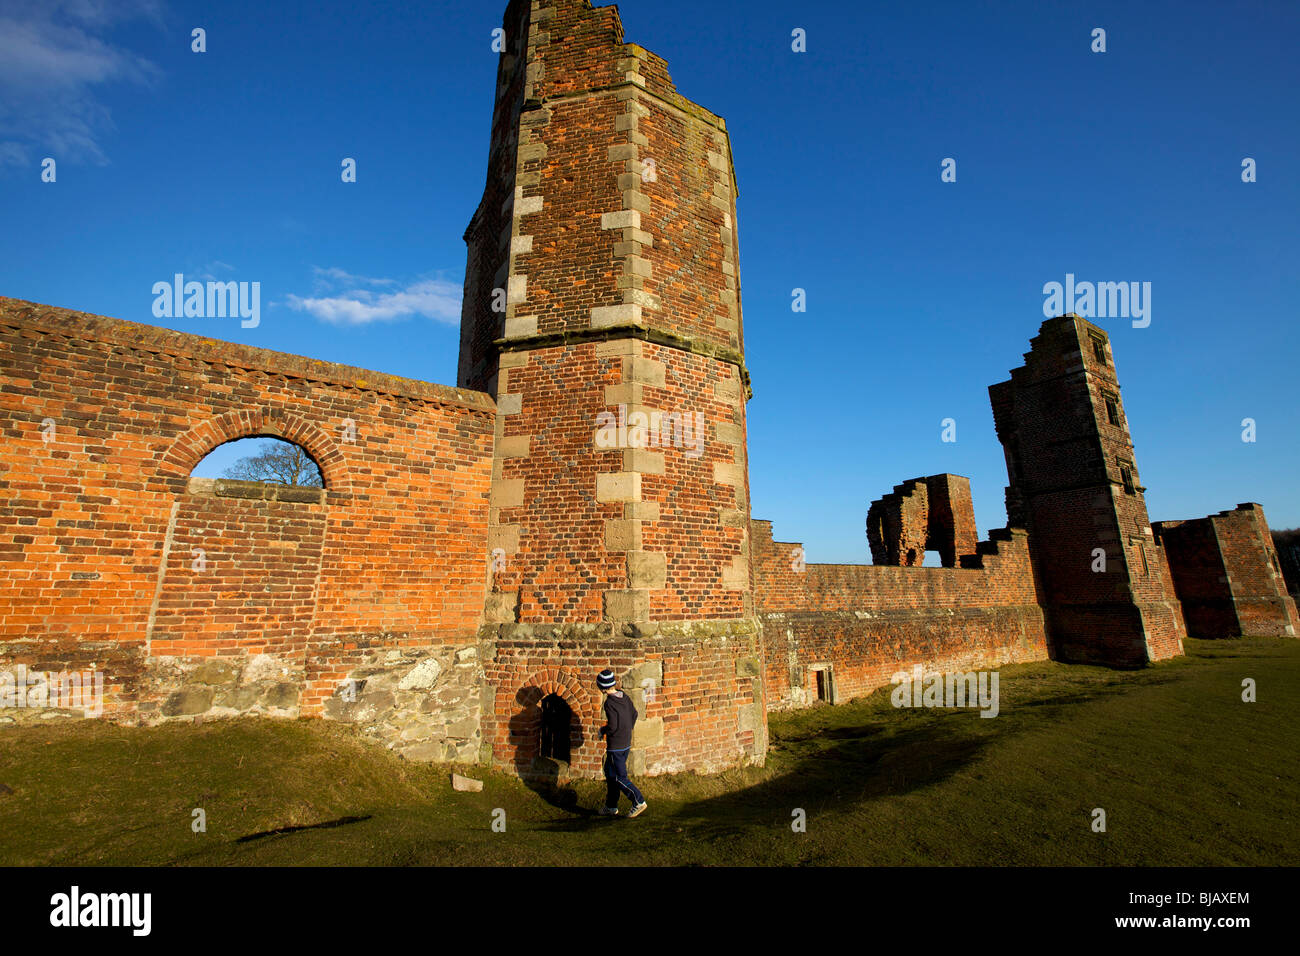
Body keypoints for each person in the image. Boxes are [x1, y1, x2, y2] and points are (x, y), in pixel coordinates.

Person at [596, 668, 647, 818]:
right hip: (625, 742)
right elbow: (634, 714)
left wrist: (604, 731)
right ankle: (611, 806)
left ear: (602, 688)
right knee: (610, 773)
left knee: (619, 776)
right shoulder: (623, 696)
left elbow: (613, 725)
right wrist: (627, 729)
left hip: (616, 746)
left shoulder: (609, 703)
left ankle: (638, 801)